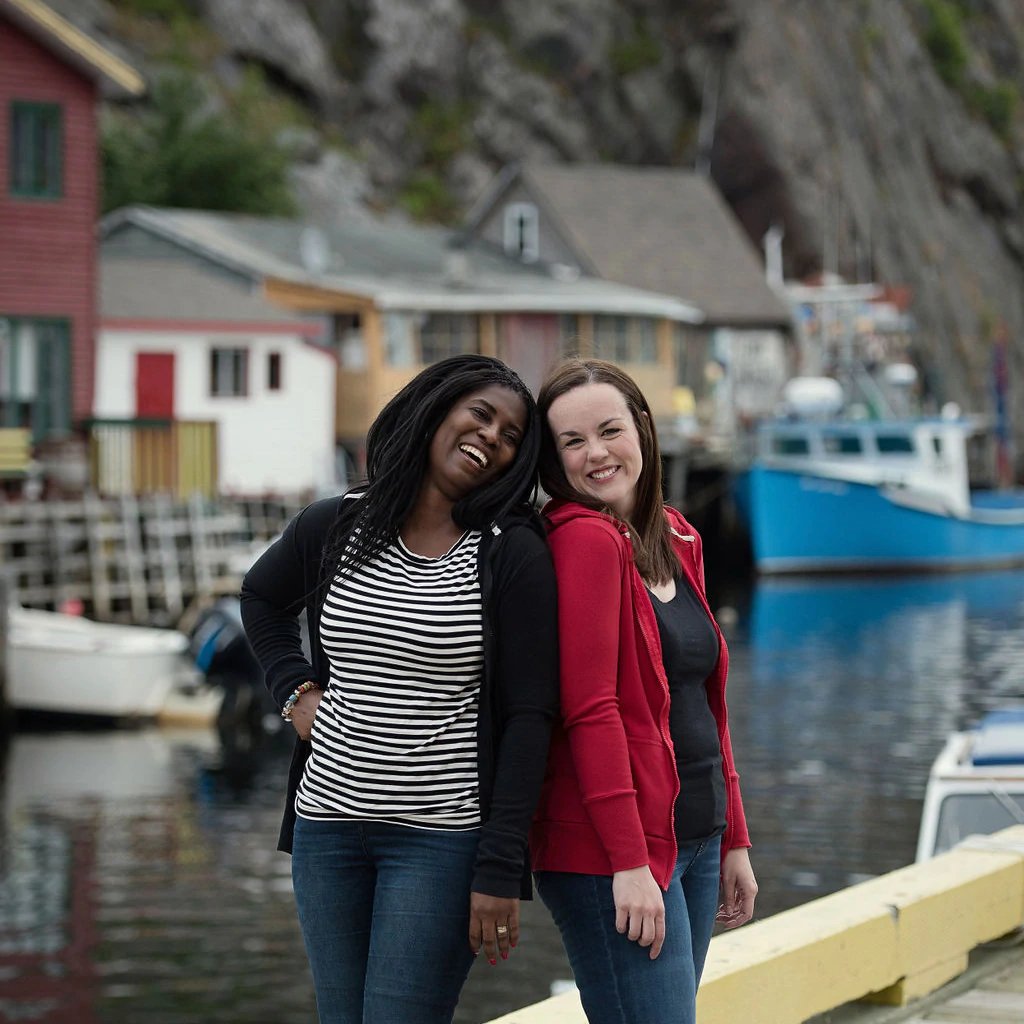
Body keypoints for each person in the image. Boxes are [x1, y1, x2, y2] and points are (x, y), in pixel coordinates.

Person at [240, 355, 559, 1024]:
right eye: (481, 414)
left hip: (440, 841)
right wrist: (294, 690)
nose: (492, 438)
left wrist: (501, 868)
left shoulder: (509, 551)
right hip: (325, 828)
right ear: (437, 408)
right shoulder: (335, 524)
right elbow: (260, 598)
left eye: (510, 435)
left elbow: (532, 717)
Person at [530, 359, 757, 1024]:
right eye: (572, 442)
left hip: (694, 838)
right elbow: (591, 709)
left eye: (609, 430)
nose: (596, 453)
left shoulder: (679, 536)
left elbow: (708, 703)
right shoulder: (583, 542)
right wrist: (627, 863)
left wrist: (734, 837)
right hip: (617, 856)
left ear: (645, 430)